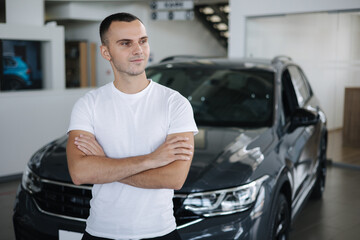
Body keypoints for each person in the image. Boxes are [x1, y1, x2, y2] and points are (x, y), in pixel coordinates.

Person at [66, 12, 198, 240]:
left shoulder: (175, 103)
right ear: (105, 52)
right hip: (100, 232)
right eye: (126, 43)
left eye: (143, 41)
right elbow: (79, 173)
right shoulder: (88, 104)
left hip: (160, 232)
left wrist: (105, 166)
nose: (138, 50)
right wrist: (151, 160)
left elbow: (174, 178)